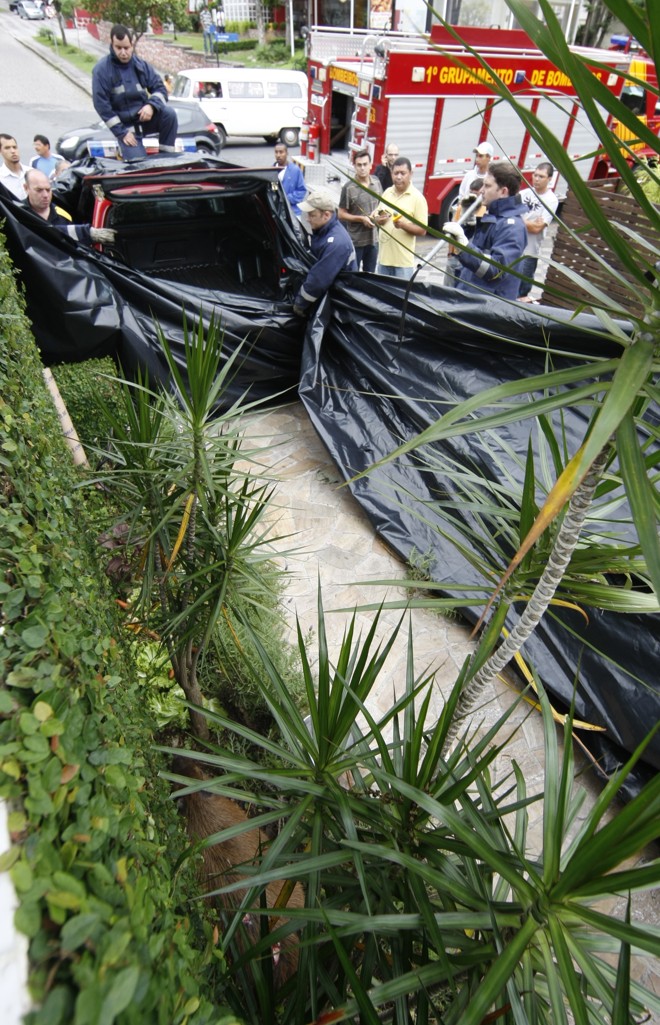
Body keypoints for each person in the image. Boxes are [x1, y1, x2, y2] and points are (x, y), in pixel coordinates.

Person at [92, 24, 177, 161]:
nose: (123, 52)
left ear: (132, 45)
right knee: (139, 165)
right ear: (112, 45)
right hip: (126, 128)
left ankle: (167, 159)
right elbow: (101, 105)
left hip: (144, 120)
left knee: (169, 115)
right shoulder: (102, 70)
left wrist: (151, 106)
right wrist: (122, 133)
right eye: (118, 48)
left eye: (126, 48)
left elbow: (160, 89)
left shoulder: (141, 65)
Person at [443, 162, 527, 300]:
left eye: (487, 186)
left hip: (488, 307)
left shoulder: (513, 227)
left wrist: (465, 246)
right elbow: (479, 254)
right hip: (473, 301)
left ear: (503, 192)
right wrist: (467, 224)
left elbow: (496, 270)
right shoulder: (495, 218)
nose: (481, 190)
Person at [293, 189, 357, 316]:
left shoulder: (336, 243)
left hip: (339, 304)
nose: (307, 219)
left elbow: (319, 279)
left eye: (312, 215)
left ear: (326, 215)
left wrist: (300, 303)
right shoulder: (324, 231)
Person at [23, 168, 116, 246]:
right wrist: (86, 233)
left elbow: (74, 246)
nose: (45, 195)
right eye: (39, 190)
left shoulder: (63, 215)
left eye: (48, 190)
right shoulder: (19, 213)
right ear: (26, 188)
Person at [372, 157, 428, 280]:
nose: (398, 177)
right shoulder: (387, 192)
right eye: (395, 173)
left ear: (411, 174)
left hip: (403, 265)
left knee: (401, 293)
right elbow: (377, 214)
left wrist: (403, 225)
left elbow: (422, 230)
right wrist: (378, 219)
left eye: (403, 173)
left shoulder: (418, 198)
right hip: (383, 261)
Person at [517, 161, 558, 301]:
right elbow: (509, 216)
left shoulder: (551, 200)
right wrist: (530, 222)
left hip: (530, 250)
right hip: (515, 244)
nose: (536, 179)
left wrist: (519, 220)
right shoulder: (523, 194)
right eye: (535, 175)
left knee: (522, 289)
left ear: (549, 179)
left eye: (541, 176)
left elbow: (537, 228)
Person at [338, 148, 382, 272]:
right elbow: (341, 214)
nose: (362, 168)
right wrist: (361, 219)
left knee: (370, 276)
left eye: (365, 164)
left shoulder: (376, 182)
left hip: (373, 240)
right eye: (359, 165)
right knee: (354, 276)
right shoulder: (348, 187)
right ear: (354, 166)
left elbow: (381, 205)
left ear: (370, 165)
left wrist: (379, 215)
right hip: (355, 242)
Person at [444, 176, 485, 286]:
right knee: (449, 286)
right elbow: (453, 229)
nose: (473, 197)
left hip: (472, 254)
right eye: (471, 193)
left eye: (476, 194)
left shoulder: (485, 210)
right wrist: (450, 253)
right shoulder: (462, 207)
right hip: (456, 254)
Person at [273, 140, 307, 217]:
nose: (278, 155)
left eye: (281, 152)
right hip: (277, 212)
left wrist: (286, 198)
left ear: (287, 153)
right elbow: (273, 189)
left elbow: (301, 190)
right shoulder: (272, 171)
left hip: (293, 212)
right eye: (276, 152)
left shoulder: (295, 170)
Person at [0, 135, 29, 200]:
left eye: (14, 147)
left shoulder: (31, 172)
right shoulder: (1, 179)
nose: (13, 151)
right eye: (7, 148)